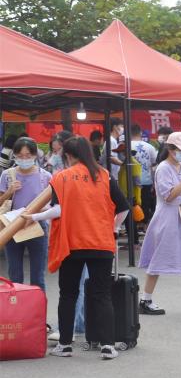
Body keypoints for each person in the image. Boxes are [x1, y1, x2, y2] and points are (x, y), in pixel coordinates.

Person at [26, 136, 130, 359]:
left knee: (68, 294)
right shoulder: (104, 175)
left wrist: (33, 217)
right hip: (101, 242)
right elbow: (123, 208)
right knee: (102, 295)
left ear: (68, 155)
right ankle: (108, 345)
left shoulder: (61, 177)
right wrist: (113, 228)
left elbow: (58, 210)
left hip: (71, 243)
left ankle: (64, 344)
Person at [136, 132, 181, 315]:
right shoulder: (163, 168)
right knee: (159, 257)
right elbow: (168, 196)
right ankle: (145, 299)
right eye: (180, 150)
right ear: (170, 149)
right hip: (166, 218)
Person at [1, 137, 52, 290]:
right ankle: (17, 305)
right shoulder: (7, 175)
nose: (24, 159)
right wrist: (9, 192)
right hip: (12, 226)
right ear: (14, 156)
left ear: (35, 155)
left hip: (37, 226)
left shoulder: (45, 176)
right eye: (20, 156)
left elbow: (52, 206)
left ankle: (37, 305)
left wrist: (34, 214)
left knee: (38, 277)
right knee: (15, 275)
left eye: (28, 155)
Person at [128, 125, 159, 223]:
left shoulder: (126, 146)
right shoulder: (150, 147)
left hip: (130, 181)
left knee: (131, 203)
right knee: (145, 203)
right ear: (140, 133)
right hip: (146, 180)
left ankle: (133, 225)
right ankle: (144, 224)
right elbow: (154, 163)